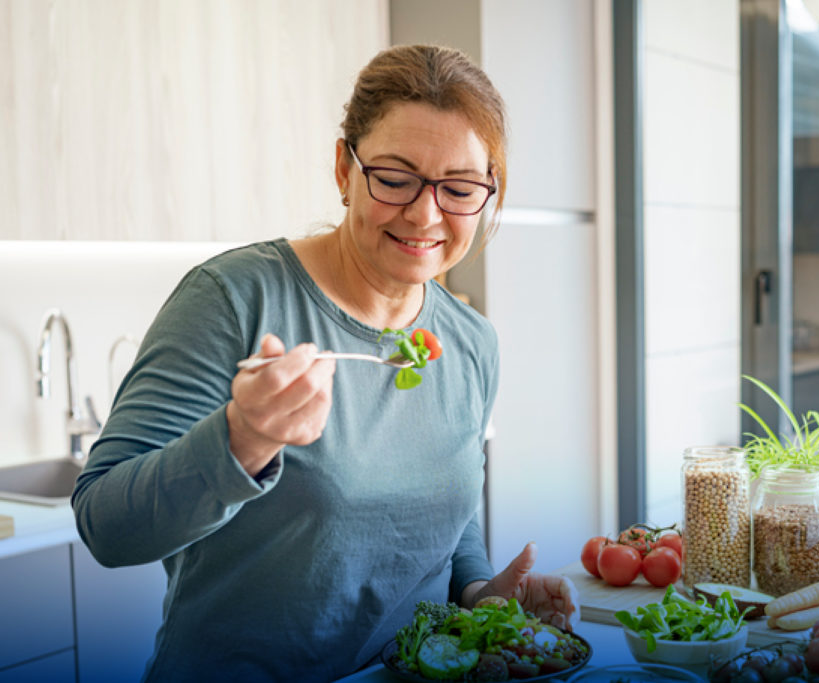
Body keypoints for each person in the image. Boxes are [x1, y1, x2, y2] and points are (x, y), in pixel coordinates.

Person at [72, 44, 578, 681]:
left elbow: (450, 514)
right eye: (394, 178)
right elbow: (104, 527)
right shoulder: (235, 299)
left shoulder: (472, 342)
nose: (426, 213)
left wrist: (480, 594)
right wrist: (241, 442)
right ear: (344, 168)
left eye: (459, 188)